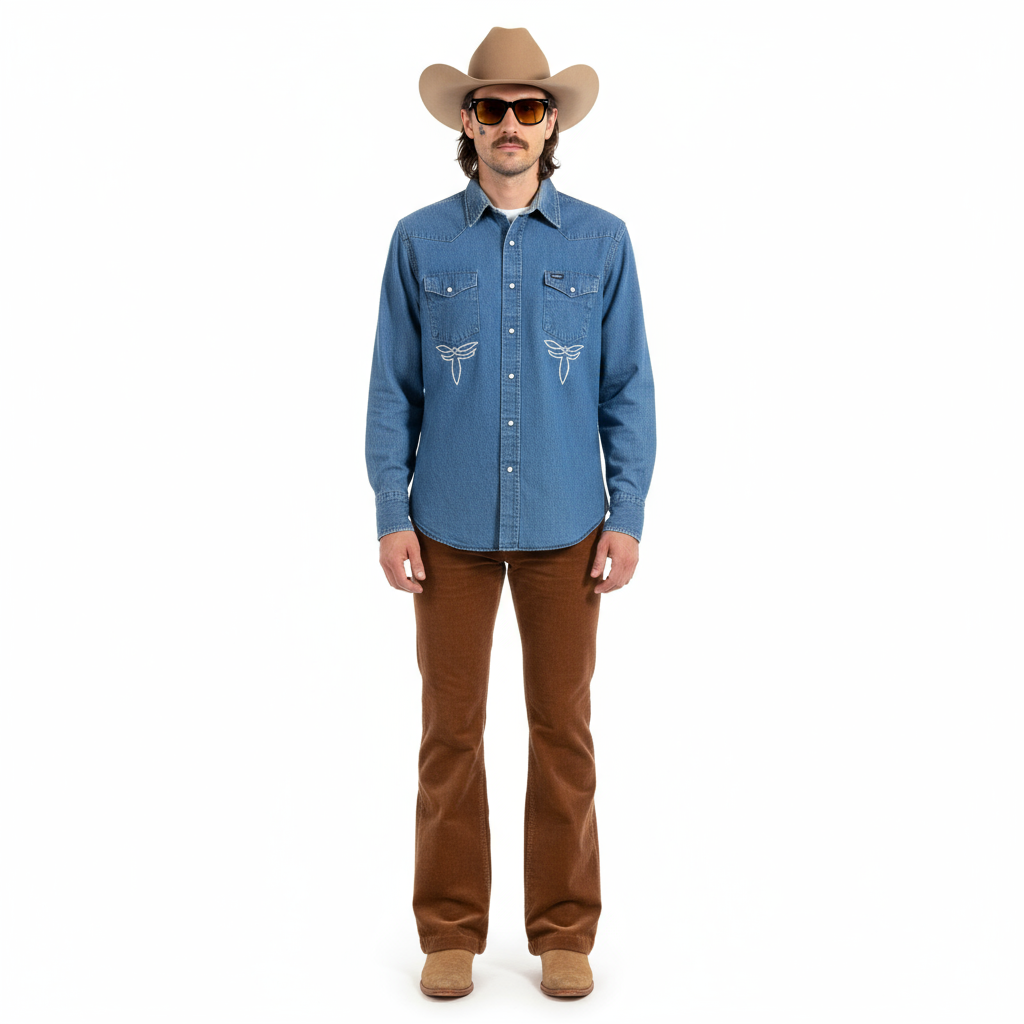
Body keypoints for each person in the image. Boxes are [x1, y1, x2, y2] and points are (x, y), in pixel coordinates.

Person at [364, 26, 657, 999]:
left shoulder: (603, 242)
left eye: (529, 108)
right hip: (444, 526)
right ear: (467, 120)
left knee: (562, 730)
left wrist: (628, 513)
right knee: (449, 732)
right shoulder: (419, 241)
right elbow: (392, 387)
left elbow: (627, 387)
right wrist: (390, 510)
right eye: (492, 107)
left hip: (569, 524)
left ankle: (564, 929)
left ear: (551, 123)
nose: (510, 125)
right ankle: (449, 929)